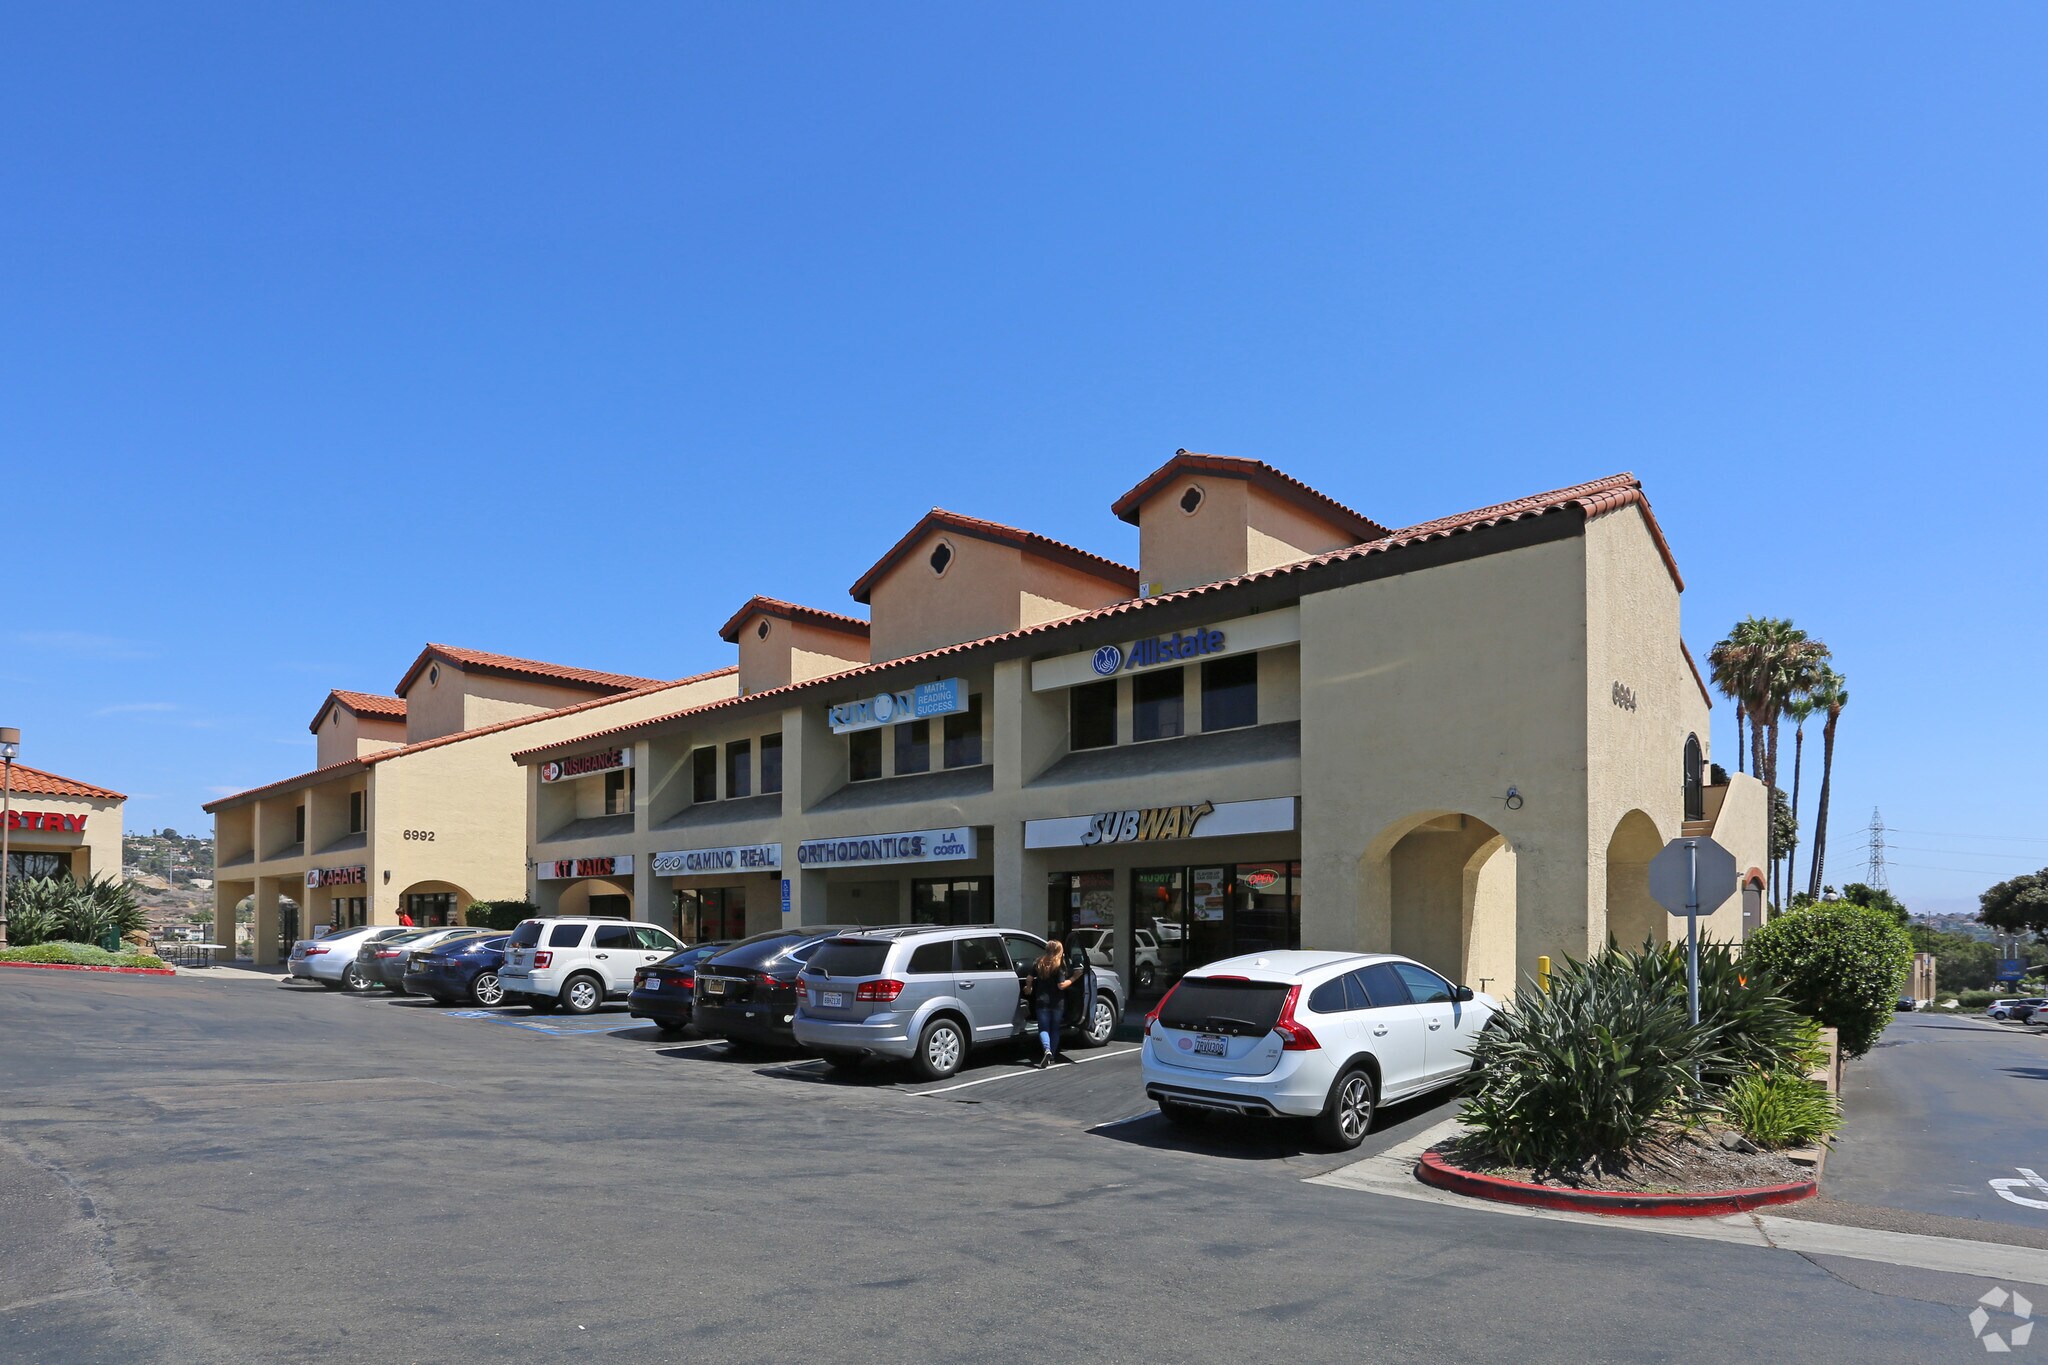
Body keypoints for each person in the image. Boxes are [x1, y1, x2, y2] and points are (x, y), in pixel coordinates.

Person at [1029, 940, 1082, 1069]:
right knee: (1054, 1028)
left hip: (1042, 1001)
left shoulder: (1038, 962)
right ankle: (1051, 1056)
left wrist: (1029, 988)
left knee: (1043, 1028)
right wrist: (1075, 977)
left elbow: (1029, 978)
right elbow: (1061, 985)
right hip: (1057, 1002)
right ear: (1059, 950)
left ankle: (1046, 1049)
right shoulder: (1060, 965)